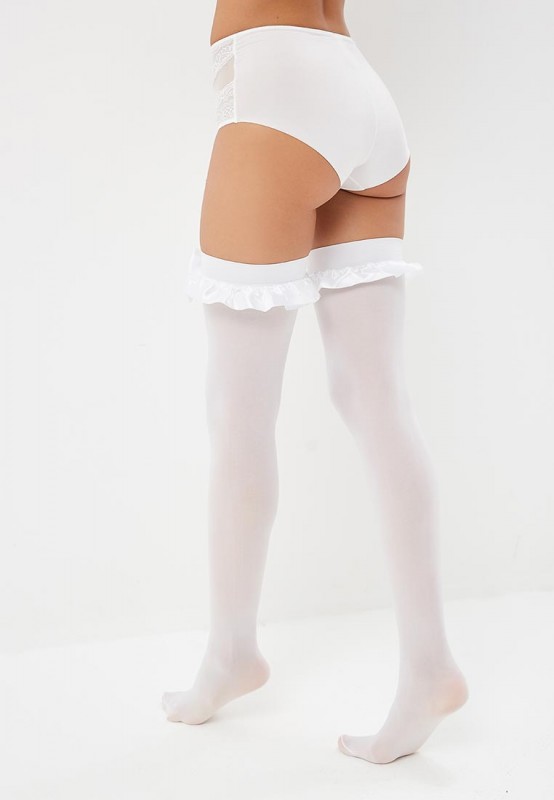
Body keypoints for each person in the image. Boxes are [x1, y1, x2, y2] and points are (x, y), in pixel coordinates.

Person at [162, 0, 469, 765]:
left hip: (276, 94)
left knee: (238, 414)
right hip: (361, 94)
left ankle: (231, 650)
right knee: (377, 399)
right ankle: (429, 664)